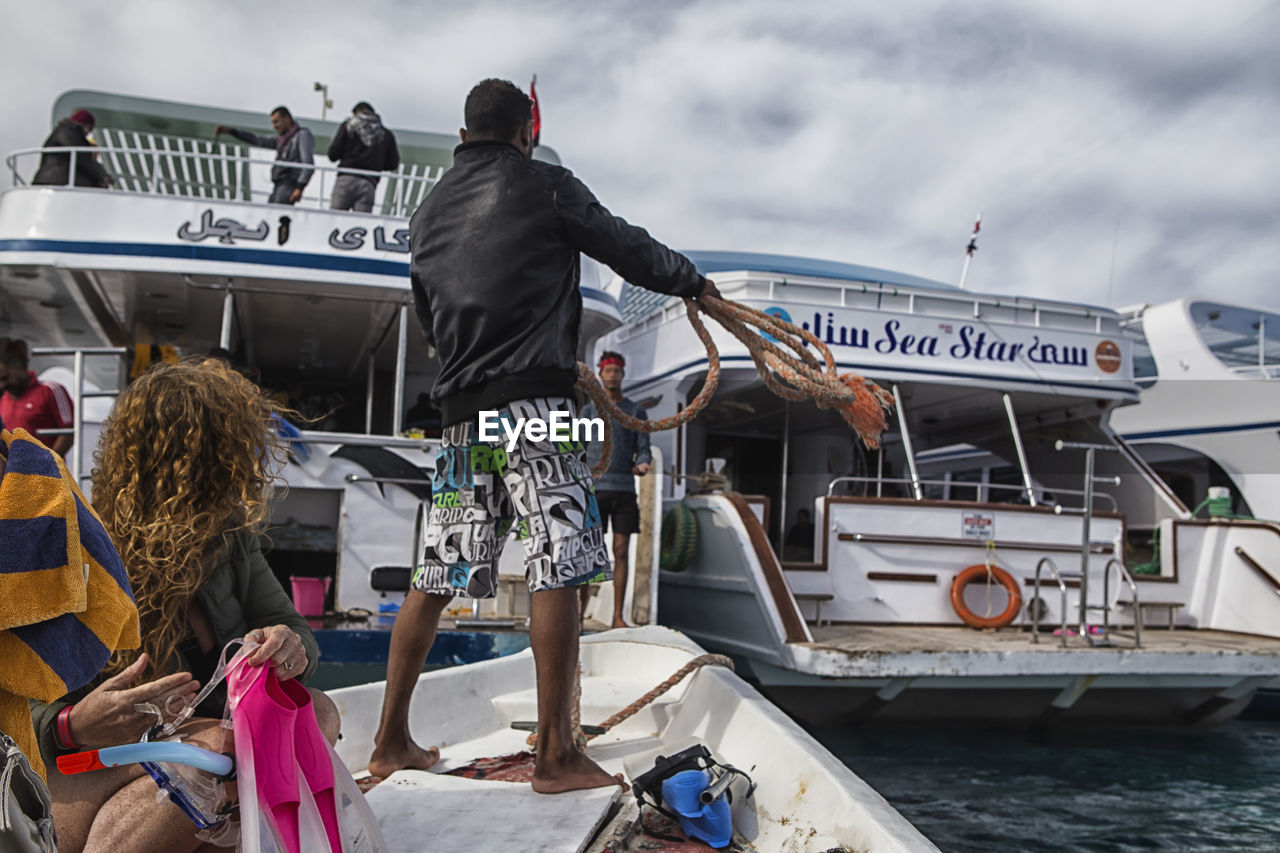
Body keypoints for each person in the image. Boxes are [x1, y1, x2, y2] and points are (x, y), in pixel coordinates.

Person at [368, 78, 719, 791]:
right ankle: (556, 753)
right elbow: (626, 246)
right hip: (537, 405)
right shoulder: (547, 185)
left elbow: (431, 319)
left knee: (435, 576)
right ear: (527, 130)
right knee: (561, 565)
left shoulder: (429, 211)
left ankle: (389, 740)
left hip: (464, 417)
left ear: (464, 136)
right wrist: (693, 283)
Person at [31, 358, 339, 853]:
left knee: (317, 711)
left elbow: (288, 625)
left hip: (202, 744)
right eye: (226, 461)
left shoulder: (230, 538)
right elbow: (13, 696)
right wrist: (71, 725)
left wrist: (287, 647)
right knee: (209, 756)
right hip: (80, 767)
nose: (242, 476)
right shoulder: (70, 548)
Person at [578, 351, 651, 628]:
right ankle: (581, 614)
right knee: (588, 553)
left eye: (617, 371)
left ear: (622, 374)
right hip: (594, 490)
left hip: (623, 490)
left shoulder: (635, 412)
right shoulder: (588, 412)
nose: (612, 376)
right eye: (608, 371)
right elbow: (578, 449)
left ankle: (618, 616)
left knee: (621, 551)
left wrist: (643, 463)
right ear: (600, 374)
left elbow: (643, 450)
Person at [216, 107, 315, 205]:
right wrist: (232, 132)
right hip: (278, 185)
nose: (274, 126)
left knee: (276, 211)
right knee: (270, 211)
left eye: (276, 121)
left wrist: (300, 187)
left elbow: (308, 164)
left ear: (287, 118)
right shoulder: (281, 140)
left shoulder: (302, 135)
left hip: (289, 183)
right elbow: (257, 139)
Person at [0, 338, 74, 458]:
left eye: (5, 378)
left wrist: (48, 462)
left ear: (20, 367)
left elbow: (69, 432)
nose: (2, 385)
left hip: (45, 473)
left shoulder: (50, 390)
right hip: (12, 473)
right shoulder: (4, 397)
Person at [327, 101, 400, 212]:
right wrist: (377, 162)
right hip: (368, 183)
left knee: (335, 218)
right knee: (361, 222)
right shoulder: (385, 134)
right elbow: (393, 163)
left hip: (346, 178)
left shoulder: (348, 126)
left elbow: (333, 155)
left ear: (356, 112)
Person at [31, 109, 112, 188]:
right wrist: (101, 178)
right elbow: (83, 159)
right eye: (89, 129)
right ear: (86, 126)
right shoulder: (69, 133)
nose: (88, 133)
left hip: (51, 180)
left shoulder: (66, 132)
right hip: (56, 180)